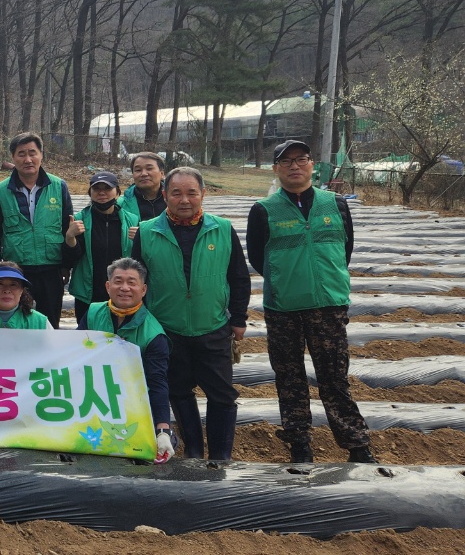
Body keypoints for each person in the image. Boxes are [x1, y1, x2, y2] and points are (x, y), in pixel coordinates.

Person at [246, 140, 374, 464]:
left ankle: (358, 446)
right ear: (276, 168)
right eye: (285, 161)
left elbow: (345, 251)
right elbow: (259, 259)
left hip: (328, 307)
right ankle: (300, 445)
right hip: (282, 310)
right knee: (290, 380)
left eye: (301, 159)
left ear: (312, 164)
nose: (294, 166)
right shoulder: (262, 211)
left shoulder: (337, 204)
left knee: (334, 379)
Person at [131, 166, 251, 461]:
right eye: (176, 193)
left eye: (191, 193)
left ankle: (221, 455)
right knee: (179, 391)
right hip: (167, 329)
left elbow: (238, 276)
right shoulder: (147, 232)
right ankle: (194, 450)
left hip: (212, 326)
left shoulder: (222, 229)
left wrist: (237, 319)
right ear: (165, 195)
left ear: (203, 195)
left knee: (222, 395)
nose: (184, 200)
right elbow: (138, 281)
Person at [84, 258, 174, 463]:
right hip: (92, 399)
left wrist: (163, 430)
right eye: (118, 281)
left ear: (143, 290)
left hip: (132, 407)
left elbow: (157, 383)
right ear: (108, 286)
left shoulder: (153, 335)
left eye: (131, 282)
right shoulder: (92, 313)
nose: (124, 288)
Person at [0, 132, 73, 328]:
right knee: (19, 322)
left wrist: (66, 265)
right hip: (18, 271)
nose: (28, 159)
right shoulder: (0, 191)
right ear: (13, 158)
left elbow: (67, 226)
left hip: (51, 267)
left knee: (50, 323)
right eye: (21, 154)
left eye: (33, 153)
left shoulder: (58, 186)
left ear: (41, 155)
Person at [63, 171, 139, 328]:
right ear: (90, 192)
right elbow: (70, 259)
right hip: (88, 293)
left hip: (121, 292)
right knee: (87, 339)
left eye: (107, 188)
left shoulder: (132, 220)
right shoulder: (78, 220)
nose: (102, 193)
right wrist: (70, 237)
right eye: (97, 189)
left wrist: (140, 240)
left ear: (117, 192)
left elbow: (138, 259)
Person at [118, 152, 167, 221]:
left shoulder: (175, 200)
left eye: (149, 168)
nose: (144, 174)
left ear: (162, 173)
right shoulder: (121, 204)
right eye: (138, 170)